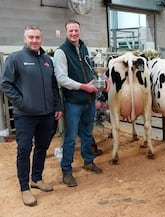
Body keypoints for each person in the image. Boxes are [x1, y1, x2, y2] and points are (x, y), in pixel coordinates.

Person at [0, 25, 63, 206]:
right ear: (25, 38)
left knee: (42, 147)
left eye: (37, 37)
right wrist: (22, 103)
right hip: (25, 116)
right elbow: (5, 84)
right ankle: (24, 187)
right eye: (31, 37)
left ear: (41, 39)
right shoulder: (15, 59)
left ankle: (36, 178)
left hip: (46, 114)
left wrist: (57, 105)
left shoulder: (46, 60)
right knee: (24, 149)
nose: (34, 40)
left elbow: (53, 86)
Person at [53, 19, 102, 187]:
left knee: (88, 133)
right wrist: (83, 87)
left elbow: (90, 68)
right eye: (71, 31)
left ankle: (88, 161)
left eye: (76, 30)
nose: (74, 33)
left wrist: (102, 79)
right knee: (71, 137)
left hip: (89, 100)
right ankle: (66, 170)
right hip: (73, 102)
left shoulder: (84, 47)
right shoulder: (61, 51)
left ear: (79, 31)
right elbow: (61, 78)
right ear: (66, 32)